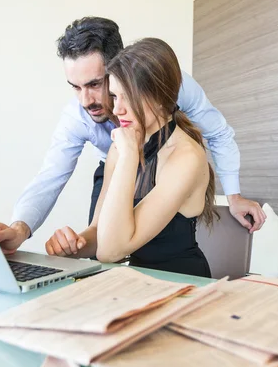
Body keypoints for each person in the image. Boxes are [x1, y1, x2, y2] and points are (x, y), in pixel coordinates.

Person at [0, 17, 266, 255]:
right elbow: (51, 176)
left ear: (121, 69)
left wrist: (234, 196)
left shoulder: (168, 86)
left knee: (127, 244)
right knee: (101, 249)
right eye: (75, 87)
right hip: (118, 164)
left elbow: (217, 131)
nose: (86, 100)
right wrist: (22, 229)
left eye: (95, 84)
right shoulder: (86, 125)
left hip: (162, 164)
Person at [45, 37, 216, 277]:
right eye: (114, 96)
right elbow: (100, 233)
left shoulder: (186, 157)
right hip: (137, 282)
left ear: (159, 96)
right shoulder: (123, 145)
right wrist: (74, 246)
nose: (116, 110)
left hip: (182, 283)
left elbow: (110, 252)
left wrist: (127, 157)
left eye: (128, 97)